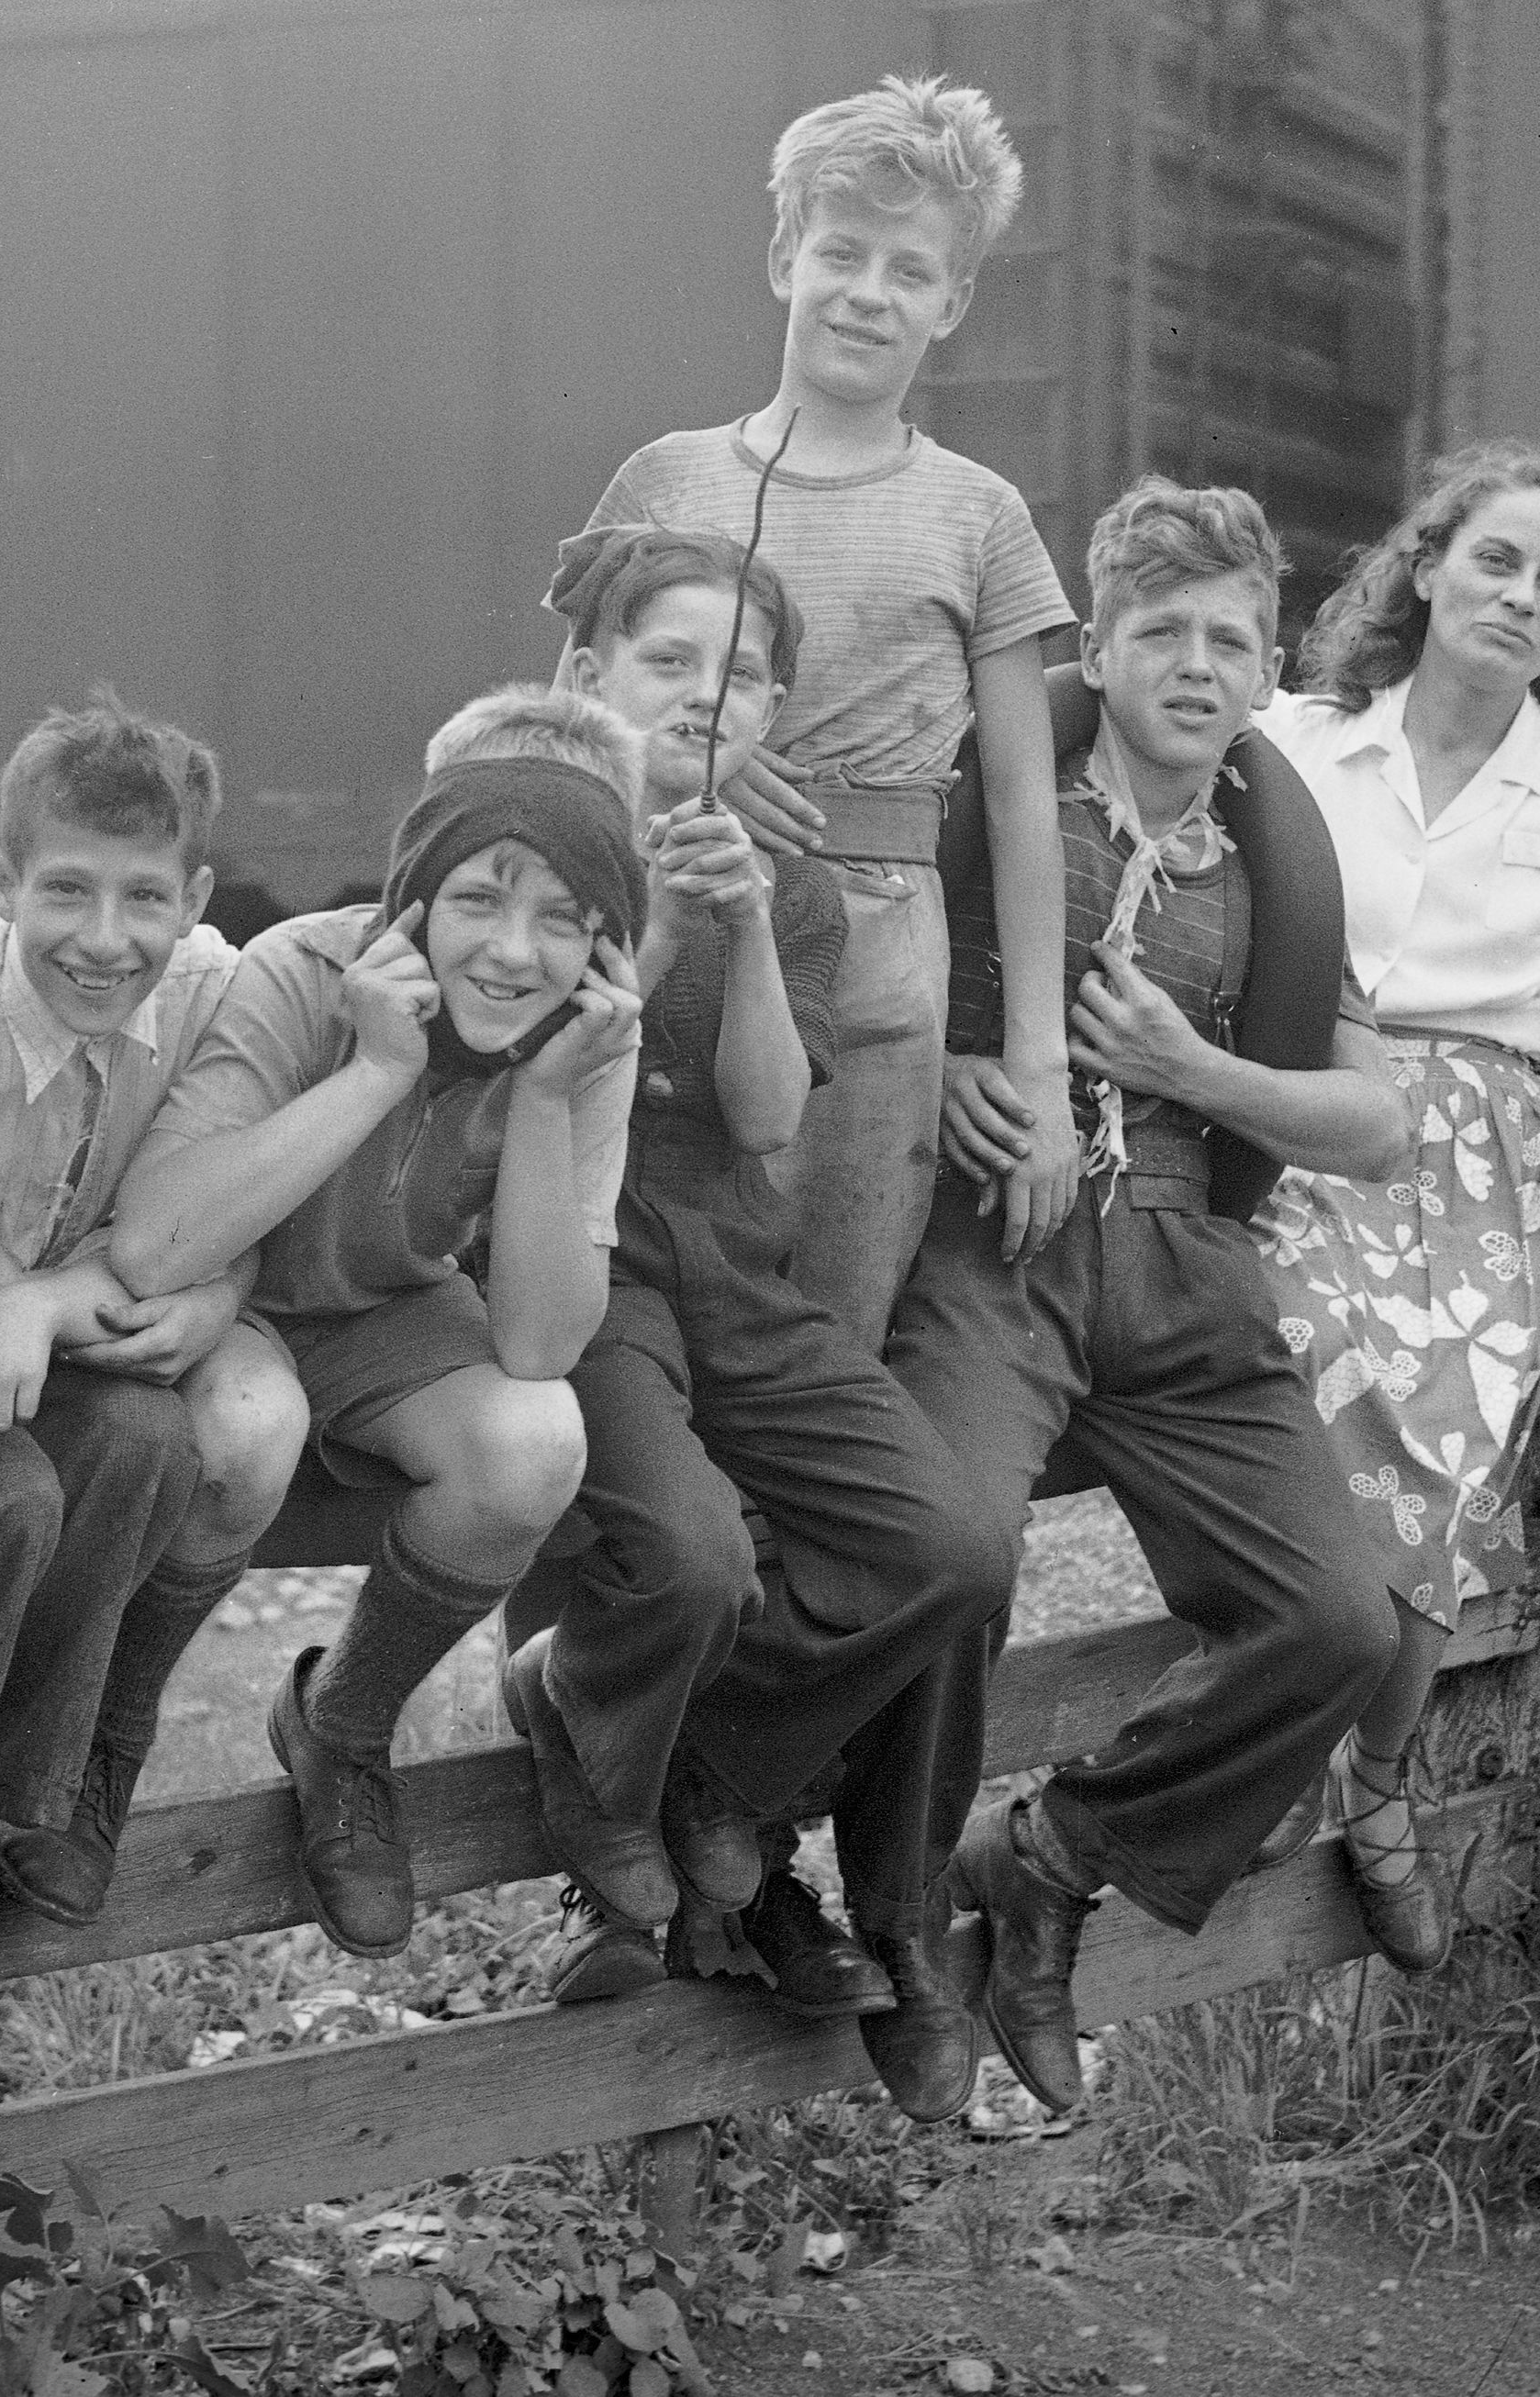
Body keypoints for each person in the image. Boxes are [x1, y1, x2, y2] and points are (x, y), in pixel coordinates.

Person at [858, 478, 1414, 2124]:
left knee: (1340, 1621)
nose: (1194, 662)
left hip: (1184, 1253)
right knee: (950, 1553)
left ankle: (1046, 1860)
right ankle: (895, 1915)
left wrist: (1205, 1069)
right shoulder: (1003, 799)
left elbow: (1377, 1123)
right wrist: (957, 1062)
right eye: (1159, 629)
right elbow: (860, 981)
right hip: (998, 1245)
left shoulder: (1273, 855)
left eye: (1229, 637)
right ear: (1097, 647)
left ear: (1266, 666)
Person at [513, 527, 1014, 2016]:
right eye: (673, 662)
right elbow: (532, 1079)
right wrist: (661, 916)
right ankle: (589, 1718)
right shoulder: (530, 853)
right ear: (596, 676)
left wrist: (738, 925)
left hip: (733, 1259)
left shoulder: (787, 889)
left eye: (743, 681)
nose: (705, 701)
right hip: (593, 1259)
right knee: (697, 1554)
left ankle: (720, 1772)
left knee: (953, 1549)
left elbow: (771, 1115)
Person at [105, 745, 649, 1955]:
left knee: (533, 1446)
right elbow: (156, 1245)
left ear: (606, 946)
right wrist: (380, 1067)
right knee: (248, 1431)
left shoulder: (584, 1041)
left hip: (387, 1315)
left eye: (563, 918)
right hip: (236, 1299)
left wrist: (554, 1098)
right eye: (479, 898)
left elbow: (542, 1340)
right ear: (411, 901)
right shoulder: (301, 967)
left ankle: (340, 1724)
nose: (515, 948)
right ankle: (113, 1722)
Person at [0, 697, 310, 2022]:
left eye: (146, 897)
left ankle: (45, 1782)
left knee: (154, 1442)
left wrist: (219, 1292)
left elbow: (239, 1186)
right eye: (66, 891)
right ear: (0, 881)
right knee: (12, 1496)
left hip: (79, 1325)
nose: (106, 939)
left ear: (196, 892)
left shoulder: (218, 991)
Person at [1248, 441, 1540, 1976]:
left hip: (1498, 1148)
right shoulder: (1290, 741)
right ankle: (1285, 1752)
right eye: (1496, 559)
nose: (1520, 594)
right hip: (1308, 1107)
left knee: (1453, 1451)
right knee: (1324, 1399)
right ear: (1427, 567)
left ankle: (1372, 1784)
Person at [575, 75, 1082, 1357]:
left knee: (830, 1326)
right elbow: (572, 728)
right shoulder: (667, 475)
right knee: (638, 1289)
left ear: (954, 302)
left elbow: (1025, 802)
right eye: (840, 253)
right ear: (782, 257)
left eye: (910, 270)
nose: (868, 291)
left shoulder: (982, 513)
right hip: (673, 917)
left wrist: (1041, 1065)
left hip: (876, 952)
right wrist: (701, 759)